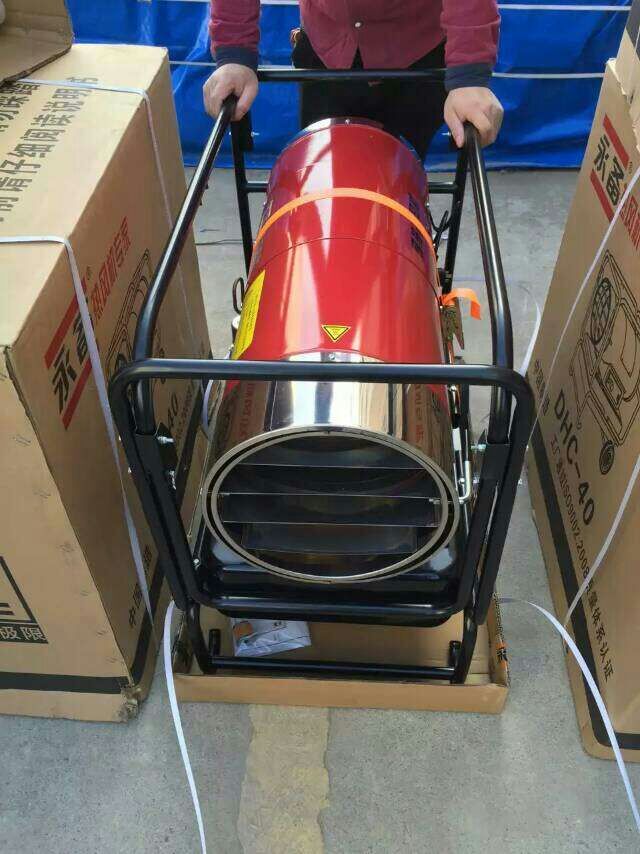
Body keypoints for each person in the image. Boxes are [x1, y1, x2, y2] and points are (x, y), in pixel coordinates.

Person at [204, 2, 503, 160]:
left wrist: (469, 76)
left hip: (414, 51)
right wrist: (234, 55)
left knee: (402, 175)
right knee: (322, 170)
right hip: (326, 49)